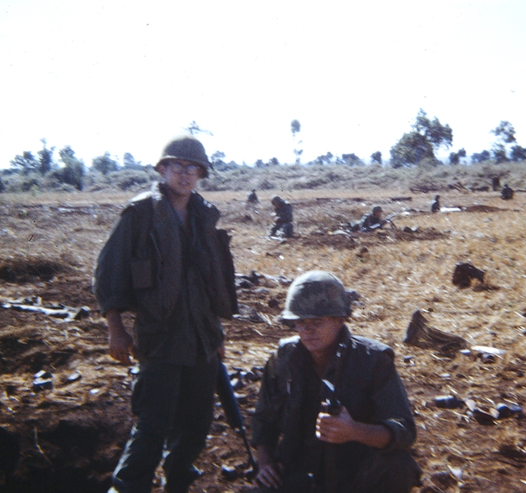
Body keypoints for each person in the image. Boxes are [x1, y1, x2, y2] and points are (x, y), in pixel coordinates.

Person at [94, 134, 238, 493]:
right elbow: (109, 271)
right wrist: (116, 328)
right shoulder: (141, 213)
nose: (185, 173)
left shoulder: (204, 215)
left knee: (195, 427)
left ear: (201, 174)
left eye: (192, 168)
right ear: (162, 169)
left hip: (202, 341)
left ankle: (177, 485)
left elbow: (210, 283)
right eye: (177, 165)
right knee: (152, 428)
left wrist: (217, 336)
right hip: (160, 340)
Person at [251, 271, 421, 493]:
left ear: (340, 320)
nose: (307, 330)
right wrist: (264, 464)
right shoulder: (283, 359)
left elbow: (405, 431)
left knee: (398, 465)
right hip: (301, 470)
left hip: (356, 473)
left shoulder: (373, 361)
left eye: (317, 321)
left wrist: (355, 431)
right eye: (300, 322)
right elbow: (264, 421)